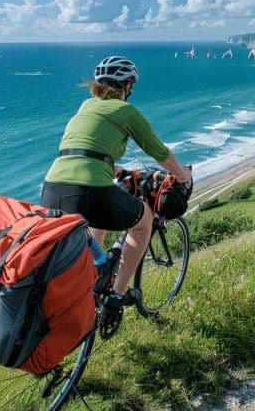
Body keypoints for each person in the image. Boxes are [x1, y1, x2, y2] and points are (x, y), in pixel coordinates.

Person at [40, 55, 192, 311]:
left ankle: (94, 280)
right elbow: (159, 152)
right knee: (143, 222)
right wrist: (181, 175)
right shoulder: (125, 110)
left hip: (52, 188)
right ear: (127, 86)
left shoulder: (85, 107)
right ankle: (117, 295)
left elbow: (86, 150)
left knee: (95, 223)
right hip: (89, 188)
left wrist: (117, 170)